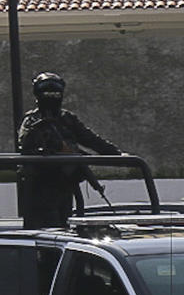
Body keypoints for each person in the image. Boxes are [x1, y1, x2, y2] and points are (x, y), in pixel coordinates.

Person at [16, 71, 121, 229]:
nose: (51, 97)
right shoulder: (32, 122)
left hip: (64, 185)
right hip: (39, 187)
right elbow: (26, 146)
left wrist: (116, 154)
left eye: (55, 93)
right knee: (45, 233)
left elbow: (91, 139)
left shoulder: (67, 119)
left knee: (65, 228)